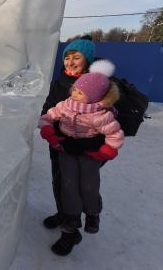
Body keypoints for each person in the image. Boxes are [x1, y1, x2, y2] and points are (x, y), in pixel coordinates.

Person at [39, 60, 124, 255]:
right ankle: (72, 220)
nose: (74, 94)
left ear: (93, 96)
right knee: (67, 185)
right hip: (66, 150)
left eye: (80, 92)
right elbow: (47, 117)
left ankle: (93, 213)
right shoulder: (65, 105)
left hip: (90, 154)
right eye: (74, 90)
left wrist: (104, 151)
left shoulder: (102, 114)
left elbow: (115, 135)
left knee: (89, 185)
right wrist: (51, 135)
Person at [40, 37, 107, 230]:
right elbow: (48, 111)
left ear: (87, 60)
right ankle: (63, 215)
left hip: (89, 149)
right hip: (60, 146)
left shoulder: (100, 84)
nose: (70, 61)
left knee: (79, 186)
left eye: (76, 57)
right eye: (67, 57)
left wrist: (92, 144)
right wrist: (54, 137)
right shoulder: (59, 83)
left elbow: (109, 118)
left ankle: (72, 232)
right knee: (60, 183)